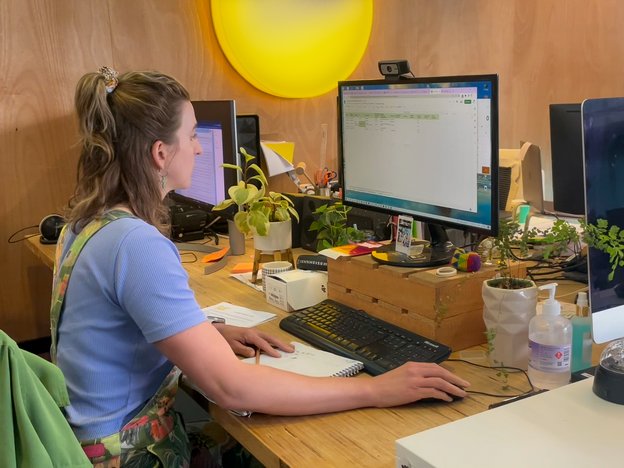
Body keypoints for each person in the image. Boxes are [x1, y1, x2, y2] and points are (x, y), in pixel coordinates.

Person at [52, 66, 469, 467]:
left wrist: (205, 335)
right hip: (123, 455)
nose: (199, 147)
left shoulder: (85, 221)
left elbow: (120, 328)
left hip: (79, 441)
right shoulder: (137, 245)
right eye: (192, 135)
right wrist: (374, 389)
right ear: (160, 153)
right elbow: (230, 388)